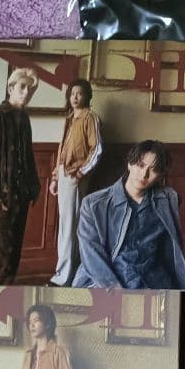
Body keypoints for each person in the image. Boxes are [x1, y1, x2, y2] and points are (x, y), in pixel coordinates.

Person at [72, 140, 185, 290]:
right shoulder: (93, 204)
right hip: (109, 278)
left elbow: (169, 252)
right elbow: (92, 257)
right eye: (140, 165)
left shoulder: (168, 199)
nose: (144, 174)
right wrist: (117, 291)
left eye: (153, 170)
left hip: (152, 278)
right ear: (130, 164)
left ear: (160, 175)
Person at [0, 67, 42, 284]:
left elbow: (28, 156)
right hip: (1, 201)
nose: (26, 93)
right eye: (22, 87)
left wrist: (33, 188)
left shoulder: (24, 119)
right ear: (10, 88)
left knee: (12, 260)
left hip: (20, 198)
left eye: (30, 89)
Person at [49, 79, 103, 286]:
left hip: (75, 176)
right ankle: (66, 273)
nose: (75, 97)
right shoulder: (70, 119)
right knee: (66, 225)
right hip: (64, 174)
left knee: (71, 226)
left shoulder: (90, 118)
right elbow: (62, 151)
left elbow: (97, 149)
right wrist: (55, 177)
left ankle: (63, 277)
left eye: (79, 93)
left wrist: (81, 172)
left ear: (87, 96)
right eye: (72, 93)